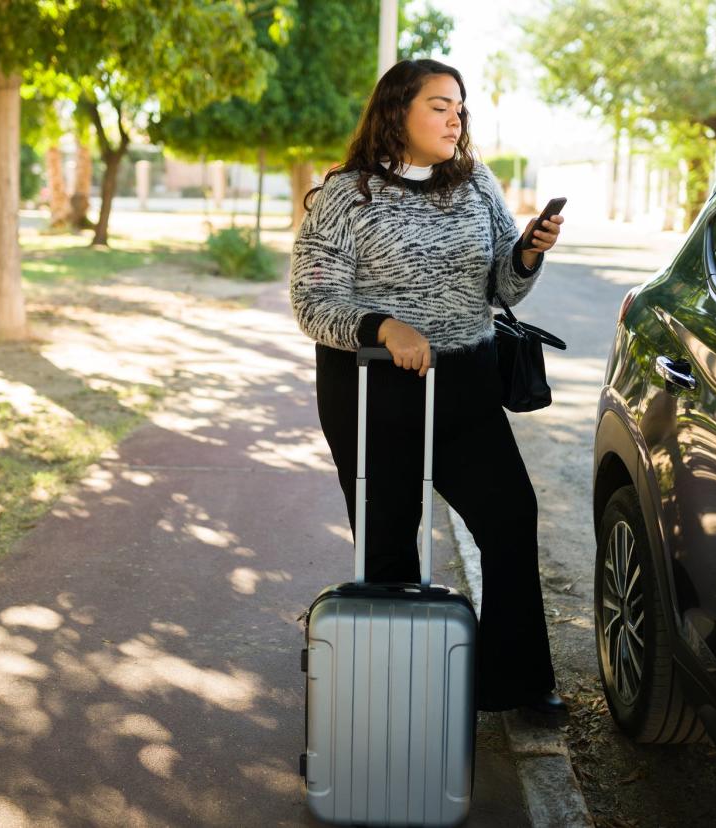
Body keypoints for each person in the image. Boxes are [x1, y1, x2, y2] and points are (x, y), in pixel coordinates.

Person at [289, 58, 567, 724]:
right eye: (440, 105)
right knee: (388, 539)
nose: (455, 118)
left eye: (460, 108)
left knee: (508, 515)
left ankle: (514, 681)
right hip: (369, 387)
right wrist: (384, 325)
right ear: (398, 112)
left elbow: (503, 286)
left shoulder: (476, 184)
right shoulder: (345, 195)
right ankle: (394, 694)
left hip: (465, 381)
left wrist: (527, 253)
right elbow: (311, 299)